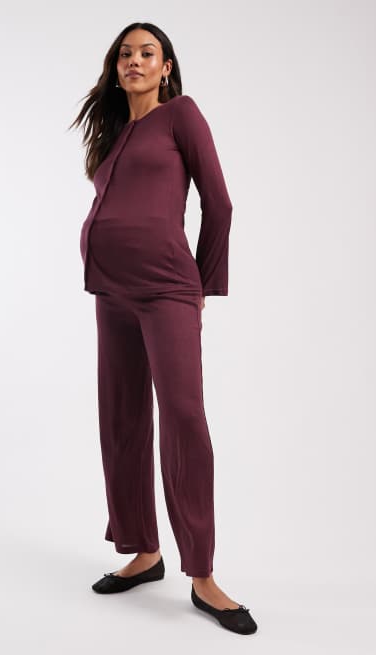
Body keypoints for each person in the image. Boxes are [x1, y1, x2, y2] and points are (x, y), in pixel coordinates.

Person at [69, 21, 258, 635]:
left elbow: (219, 203)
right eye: (125, 54)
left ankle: (202, 574)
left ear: (166, 66)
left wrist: (203, 284)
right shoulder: (115, 133)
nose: (135, 61)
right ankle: (143, 551)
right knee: (122, 418)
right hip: (110, 289)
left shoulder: (181, 116)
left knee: (183, 418)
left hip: (166, 288)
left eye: (147, 53)